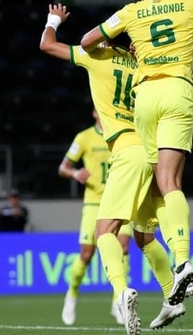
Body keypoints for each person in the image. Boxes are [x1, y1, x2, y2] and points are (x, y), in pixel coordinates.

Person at [80, 0, 193, 304]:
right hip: (178, 92)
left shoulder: (131, 11)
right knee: (170, 183)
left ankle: (161, 280)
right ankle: (182, 260)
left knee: (155, 188)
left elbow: (89, 41)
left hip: (145, 97)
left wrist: (126, 43)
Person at [41, 4, 193, 334]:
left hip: (127, 152)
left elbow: (47, 45)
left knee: (104, 233)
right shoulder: (140, 62)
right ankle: (173, 288)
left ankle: (121, 291)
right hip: (154, 146)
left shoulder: (95, 56)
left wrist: (53, 20)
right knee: (143, 234)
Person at [57, 109, 133, 326]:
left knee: (123, 248)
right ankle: (71, 295)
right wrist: (74, 173)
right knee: (87, 253)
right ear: (94, 113)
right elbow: (63, 168)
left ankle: (118, 302)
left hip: (120, 200)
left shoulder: (122, 134)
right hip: (94, 204)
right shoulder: (84, 137)